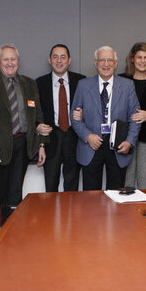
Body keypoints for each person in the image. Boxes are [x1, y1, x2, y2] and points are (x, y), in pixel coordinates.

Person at [0, 44, 49, 219]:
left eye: (13, 59)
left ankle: (14, 230)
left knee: (16, 191)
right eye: (6, 59)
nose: (10, 63)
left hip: (23, 144)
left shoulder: (29, 84)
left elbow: (38, 117)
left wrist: (41, 144)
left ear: (18, 61)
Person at [71, 46, 140, 190]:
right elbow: (75, 117)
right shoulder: (83, 86)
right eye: (102, 60)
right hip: (91, 144)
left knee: (116, 195)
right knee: (91, 196)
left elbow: (135, 117)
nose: (106, 64)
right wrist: (88, 136)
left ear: (115, 63)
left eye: (110, 60)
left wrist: (129, 141)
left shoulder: (127, 86)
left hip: (118, 145)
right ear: (96, 63)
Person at [36, 44, 85, 192]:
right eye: (55, 57)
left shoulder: (81, 82)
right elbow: (34, 113)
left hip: (74, 136)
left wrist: (84, 114)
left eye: (63, 57)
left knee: (72, 184)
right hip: (51, 137)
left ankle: (69, 215)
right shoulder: (39, 83)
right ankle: (51, 215)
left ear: (69, 60)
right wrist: (39, 136)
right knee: (50, 184)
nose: (59, 60)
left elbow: (92, 109)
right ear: (49, 60)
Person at [120, 42, 146, 189]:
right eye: (139, 57)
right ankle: (125, 212)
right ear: (132, 59)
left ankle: (144, 210)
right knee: (126, 181)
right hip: (125, 137)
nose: (142, 61)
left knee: (145, 180)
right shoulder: (121, 80)